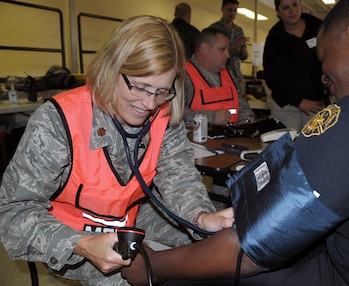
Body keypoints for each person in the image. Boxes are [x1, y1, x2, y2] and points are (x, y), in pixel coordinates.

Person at [121, 0, 349, 285]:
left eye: (324, 60)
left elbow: (250, 245)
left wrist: (155, 266)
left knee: (198, 275)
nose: (324, 78)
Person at [0, 15, 234, 286]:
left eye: (161, 91)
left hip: (129, 217)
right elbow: (12, 212)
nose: (149, 103)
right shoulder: (58, 121)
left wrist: (201, 217)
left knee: (214, 245)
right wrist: (83, 244)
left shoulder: (163, 113)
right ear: (112, 68)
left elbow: (178, 178)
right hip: (69, 231)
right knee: (127, 279)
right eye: (141, 87)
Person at [263, 0, 326, 132]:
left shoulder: (318, 26)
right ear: (278, 12)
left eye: (295, 5)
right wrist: (298, 101)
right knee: (286, 146)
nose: (292, 10)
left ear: (300, 5)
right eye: (286, 7)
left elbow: (332, 56)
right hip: (285, 106)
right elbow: (271, 77)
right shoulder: (275, 37)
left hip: (315, 103)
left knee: (315, 145)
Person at [184, 28, 254, 126]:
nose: (228, 55)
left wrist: (248, 125)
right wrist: (211, 117)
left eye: (227, 50)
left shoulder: (229, 74)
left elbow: (241, 105)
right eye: (222, 49)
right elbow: (175, 115)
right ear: (205, 49)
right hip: (197, 140)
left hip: (233, 138)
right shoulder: (183, 76)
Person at [209, 0, 248, 85]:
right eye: (229, 10)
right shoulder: (214, 29)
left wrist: (243, 51)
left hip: (236, 75)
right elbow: (213, 55)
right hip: (218, 76)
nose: (232, 13)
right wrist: (234, 46)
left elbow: (244, 57)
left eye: (235, 11)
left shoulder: (238, 30)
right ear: (222, 9)